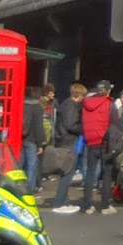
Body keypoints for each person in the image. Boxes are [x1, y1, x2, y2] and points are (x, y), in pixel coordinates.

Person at [49, 82, 88, 213]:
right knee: (68, 172)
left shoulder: (66, 104)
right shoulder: (71, 106)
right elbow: (71, 125)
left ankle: (63, 201)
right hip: (69, 142)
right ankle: (59, 203)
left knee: (66, 172)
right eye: (83, 95)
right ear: (79, 94)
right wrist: (84, 128)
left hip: (65, 141)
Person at [79, 81, 116, 214]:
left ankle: (87, 205)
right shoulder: (109, 104)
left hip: (90, 141)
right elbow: (114, 124)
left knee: (90, 172)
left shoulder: (86, 103)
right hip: (105, 142)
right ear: (107, 91)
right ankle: (105, 205)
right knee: (107, 173)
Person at [21, 85, 53, 196]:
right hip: (31, 140)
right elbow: (39, 126)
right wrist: (41, 143)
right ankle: (29, 190)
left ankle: (18, 187)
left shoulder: (21, 105)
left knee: (19, 164)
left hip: (19, 138)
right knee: (32, 165)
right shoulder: (37, 108)